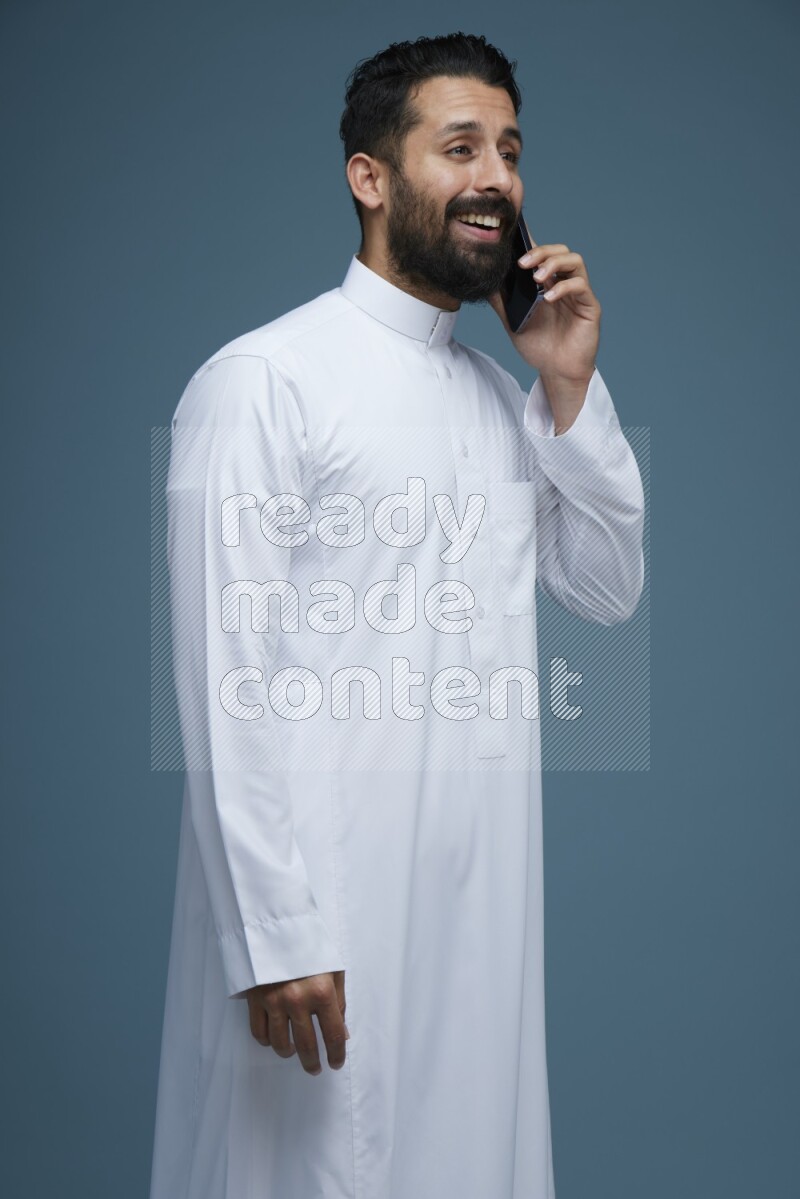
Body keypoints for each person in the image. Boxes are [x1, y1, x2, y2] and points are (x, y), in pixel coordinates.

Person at [149, 31, 645, 1199]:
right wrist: (275, 934)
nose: (496, 179)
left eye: (510, 151)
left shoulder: (495, 398)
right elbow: (227, 673)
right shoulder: (262, 382)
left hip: (478, 918)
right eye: (458, 145)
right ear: (369, 175)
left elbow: (607, 587)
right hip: (323, 921)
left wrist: (566, 387)